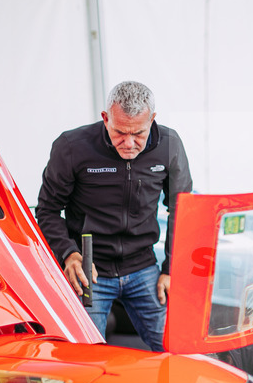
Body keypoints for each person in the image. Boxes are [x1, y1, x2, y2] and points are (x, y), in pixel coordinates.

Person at [36, 81, 193, 351]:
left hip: (144, 267)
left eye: (139, 134)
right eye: (120, 132)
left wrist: (171, 269)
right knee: (88, 357)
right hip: (90, 272)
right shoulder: (72, 147)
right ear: (105, 118)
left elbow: (183, 208)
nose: (129, 143)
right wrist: (69, 254)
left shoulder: (170, 145)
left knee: (176, 348)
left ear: (152, 120)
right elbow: (47, 210)